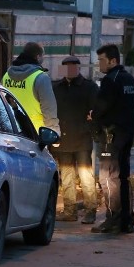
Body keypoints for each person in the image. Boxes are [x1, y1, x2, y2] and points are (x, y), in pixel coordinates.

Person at [90, 44, 134, 234]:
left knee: (108, 177)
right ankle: (127, 220)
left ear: (113, 61)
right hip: (127, 133)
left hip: (111, 135)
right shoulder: (129, 79)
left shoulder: (111, 80)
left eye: (101, 60)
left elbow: (101, 108)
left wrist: (93, 117)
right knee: (123, 177)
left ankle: (113, 219)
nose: (99, 64)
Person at [52, 56, 100, 224]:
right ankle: (70, 210)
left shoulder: (89, 87)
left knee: (85, 175)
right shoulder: (57, 87)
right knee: (67, 176)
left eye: (73, 67)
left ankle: (90, 210)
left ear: (79, 68)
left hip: (81, 139)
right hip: (64, 138)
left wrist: (89, 129)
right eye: (67, 67)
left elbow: (95, 112)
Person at [2, 42, 60, 135]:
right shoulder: (41, 77)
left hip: (11, 128)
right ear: (38, 57)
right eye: (42, 56)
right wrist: (53, 133)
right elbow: (49, 109)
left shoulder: (7, 75)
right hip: (35, 132)